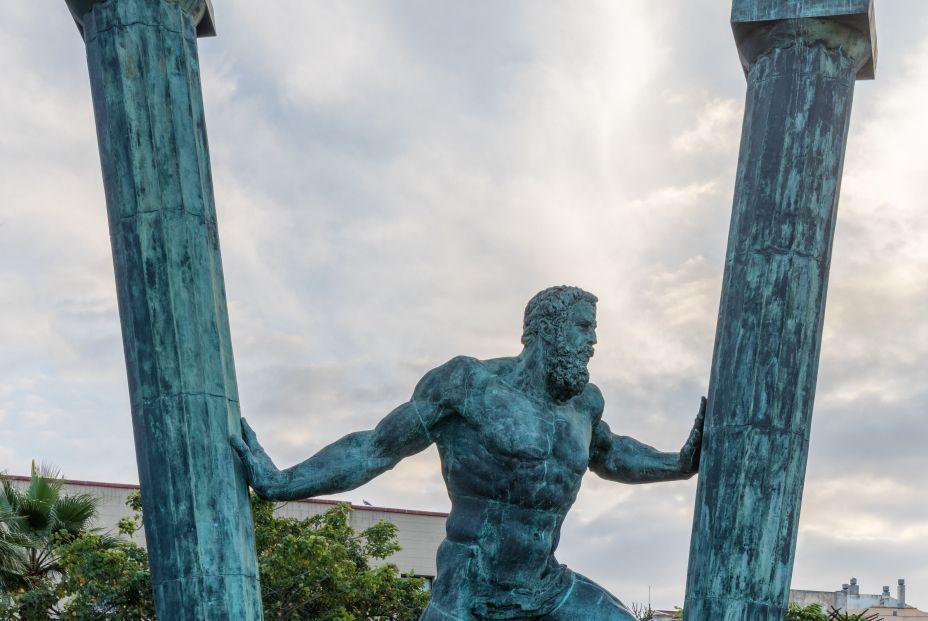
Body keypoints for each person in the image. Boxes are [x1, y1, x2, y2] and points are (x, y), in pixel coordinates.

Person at [232, 285, 704, 620]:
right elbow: (374, 448)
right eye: (583, 328)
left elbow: (613, 454)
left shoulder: (584, 405)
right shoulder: (467, 384)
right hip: (470, 588)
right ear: (547, 329)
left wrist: (680, 463)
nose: (593, 343)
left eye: (593, 330)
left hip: (544, 584)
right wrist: (282, 482)